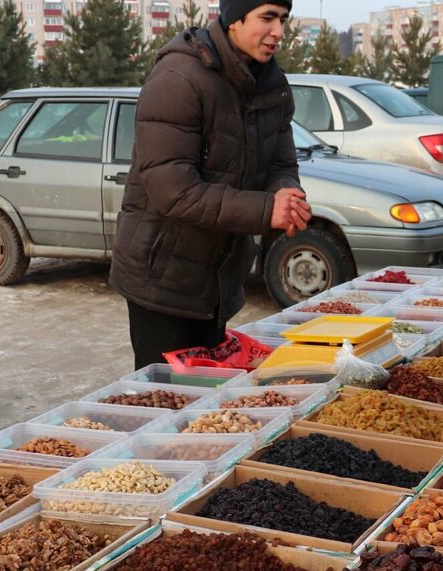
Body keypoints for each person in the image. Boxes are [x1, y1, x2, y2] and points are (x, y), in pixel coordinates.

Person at [111, 0, 311, 369]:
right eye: (267, 18)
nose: (278, 32)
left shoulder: (271, 82)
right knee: (167, 403)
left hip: (219, 278)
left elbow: (281, 162)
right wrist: (266, 210)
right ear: (234, 19)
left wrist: (286, 192)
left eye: (283, 19)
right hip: (163, 280)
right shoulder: (179, 78)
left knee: (208, 405)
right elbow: (174, 190)